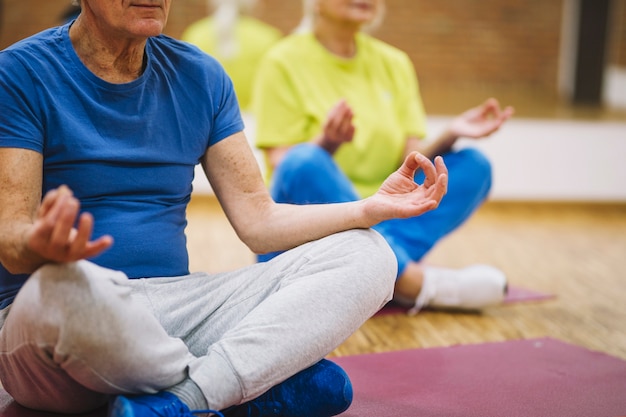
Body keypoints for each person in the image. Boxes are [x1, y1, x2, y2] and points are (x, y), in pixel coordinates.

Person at [0, 0, 448, 416]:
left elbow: (259, 220)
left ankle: (186, 399)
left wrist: (368, 209)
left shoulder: (201, 76)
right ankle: (245, 382)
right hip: (61, 310)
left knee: (370, 255)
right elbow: (10, 241)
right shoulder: (19, 73)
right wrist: (40, 246)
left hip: (179, 306)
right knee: (67, 290)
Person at [252, 0, 515, 314]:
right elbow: (286, 167)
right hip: (316, 231)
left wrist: (451, 134)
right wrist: (327, 143)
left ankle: (378, 267)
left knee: (474, 166)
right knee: (304, 160)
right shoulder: (282, 61)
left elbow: (407, 162)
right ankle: (411, 282)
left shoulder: (394, 62)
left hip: (385, 212)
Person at [181, 0, 282, 111]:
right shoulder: (267, 36)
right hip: (252, 119)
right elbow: (271, 89)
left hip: (206, 117)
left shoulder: (195, 34)